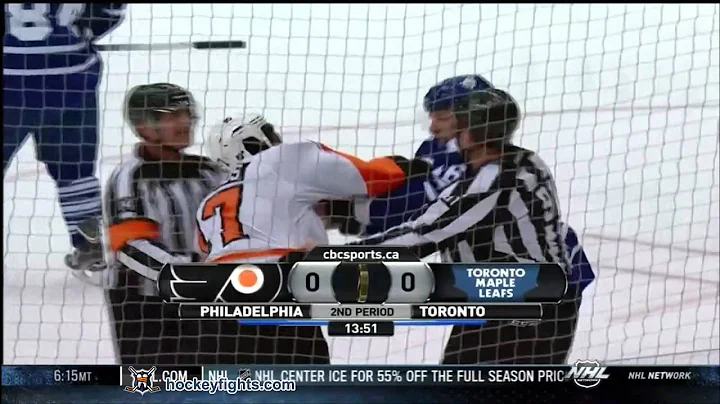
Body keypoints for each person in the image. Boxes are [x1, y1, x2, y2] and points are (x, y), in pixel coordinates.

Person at [353, 85, 589, 364]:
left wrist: (339, 256)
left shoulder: (496, 182)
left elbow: (424, 234)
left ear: (471, 133)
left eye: (459, 123)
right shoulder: (526, 161)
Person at [196, 114, 433, 363]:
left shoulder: (207, 204)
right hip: (278, 294)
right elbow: (370, 178)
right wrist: (399, 165)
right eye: (270, 133)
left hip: (216, 311)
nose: (277, 141)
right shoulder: (279, 161)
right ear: (252, 142)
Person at [103, 83, 230, 364]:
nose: (184, 122)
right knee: (153, 389)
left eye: (186, 113)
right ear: (143, 126)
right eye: (171, 116)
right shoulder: (129, 178)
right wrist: (192, 270)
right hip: (147, 308)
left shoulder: (210, 172)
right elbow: (131, 247)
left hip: (209, 299)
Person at [3, 4, 127, 272]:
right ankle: (91, 246)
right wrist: (78, 33)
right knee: (75, 172)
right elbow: (110, 9)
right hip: (68, 82)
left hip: (7, 84)